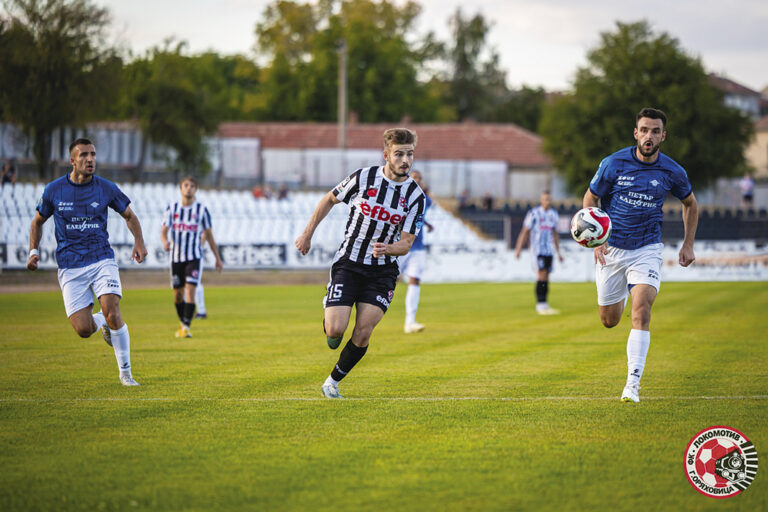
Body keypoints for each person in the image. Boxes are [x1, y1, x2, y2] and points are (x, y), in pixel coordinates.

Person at [295, 128, 427, 399]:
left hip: (383, 271)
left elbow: (407, 243)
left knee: (364, 331)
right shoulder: (363, 177)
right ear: (386, 155)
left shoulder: (416, 197)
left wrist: (390, 248)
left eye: (410, 154)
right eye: (399, 154)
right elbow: (329, 199)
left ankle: (332, 382)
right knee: (335, 331)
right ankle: (331, 307)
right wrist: (307, 233)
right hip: (349, 263)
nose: (406, 160)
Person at [583, 107, 698, 403]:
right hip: (612, 249)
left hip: (647, 248)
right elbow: (591, 197)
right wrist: (596, 238)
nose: (649, 136)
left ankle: (632, 384)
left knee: (642, 310)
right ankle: (619, 295)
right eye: (644, 130)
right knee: (609, 320)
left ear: (663, 136)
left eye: (655, 131)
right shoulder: (613, 164)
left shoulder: (673, 171)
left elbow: (690, 204)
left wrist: (687, 244)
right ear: (635, 133)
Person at [26, 138, 147, 386]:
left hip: (101, 258)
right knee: (83, 329)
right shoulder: (54, 190)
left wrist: (139, 242)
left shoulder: (106, 188)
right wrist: (33, 251)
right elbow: (37, 222)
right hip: (70, 265)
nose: (89, 159)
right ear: (72, 161)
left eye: (92, 154)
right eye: (83, 155)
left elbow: (129, 215)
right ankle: (100, 321)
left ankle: (126, 374)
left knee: (113, 311)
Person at [161, 176, 223, 337]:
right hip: (176, 258)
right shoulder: (172, 209)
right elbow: (163, 231)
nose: (189, 188)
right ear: (180, 189)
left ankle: (186, 327)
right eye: (186, 185)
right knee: (177, 295)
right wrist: (165, 241)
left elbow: (209, 235)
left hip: (194, 257)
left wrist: (217, 258)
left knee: (190, 289)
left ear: (196, 189)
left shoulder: (202, 210)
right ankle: (183, 322)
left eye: (192, 186)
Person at [514, 190, 564, 315]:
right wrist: (518, 248)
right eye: (545, 199)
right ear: (541, 200)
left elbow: (555, 234)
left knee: (546, 276)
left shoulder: (554, 214)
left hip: (549, 249)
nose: (548, 201)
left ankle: (545, 303)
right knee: (541, 275)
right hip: (537, 250)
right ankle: (540, 304)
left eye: (549, 199)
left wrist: (559, 252)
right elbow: (525, 231)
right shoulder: (534, 214)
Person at [398, 170, 434, 333]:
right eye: (414, 178)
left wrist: (426, 225)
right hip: (398, 246)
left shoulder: (426, 200)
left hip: (417, 246)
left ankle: (409, 322)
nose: (417, 180)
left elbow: (419, 214)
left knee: (415, 280)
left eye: (419, 178)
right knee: (385, 280)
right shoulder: (400, 197)